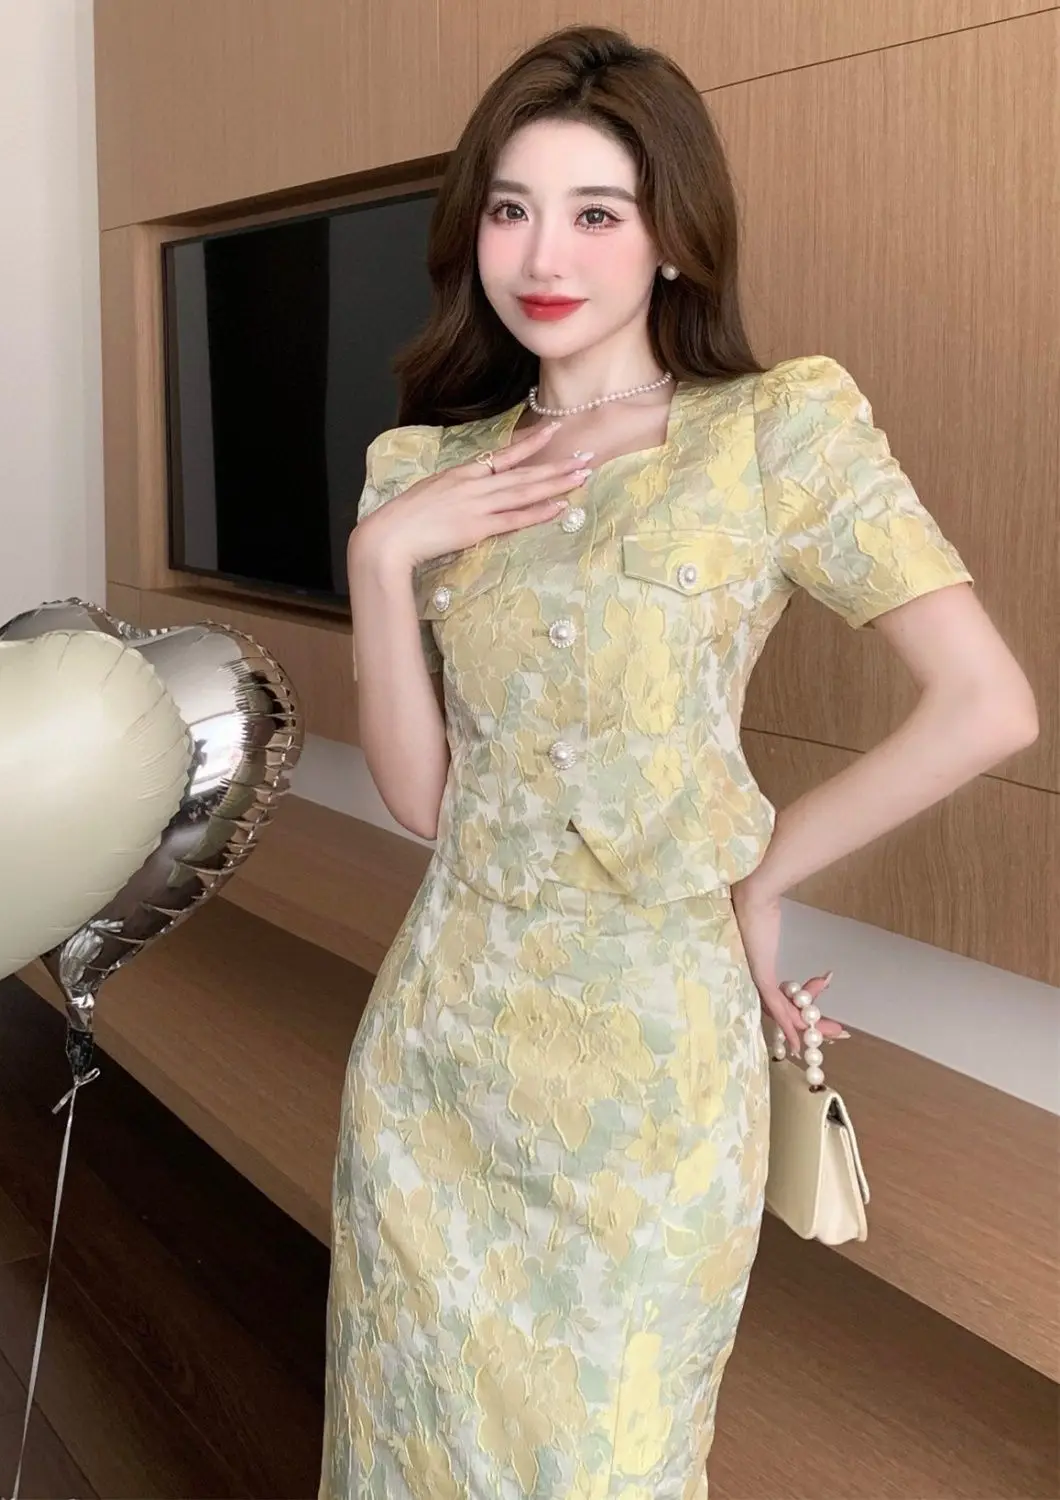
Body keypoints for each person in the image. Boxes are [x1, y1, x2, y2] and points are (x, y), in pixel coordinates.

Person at [322, 24, 1038, 1500]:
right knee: (407, 1446)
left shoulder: (773, 434)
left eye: (599, 211)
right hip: (440, 1050)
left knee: (609, 1461)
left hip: (654, 1069)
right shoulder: (422, 471)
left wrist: (760, 876)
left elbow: (988, 705)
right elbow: (425, 801)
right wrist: (382, 561)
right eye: (512, 208)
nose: (544, 254)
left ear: (673, 240)